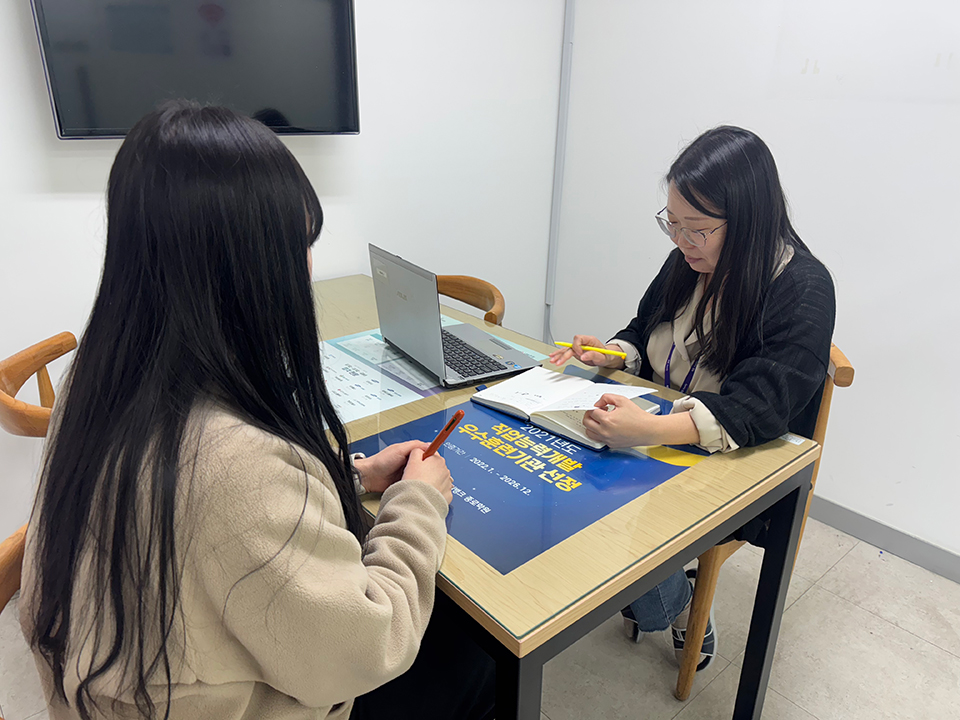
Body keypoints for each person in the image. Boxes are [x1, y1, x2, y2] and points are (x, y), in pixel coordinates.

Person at [19, 101, 495, 720]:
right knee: (475, 654)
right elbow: (372, 644)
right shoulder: (237, 468)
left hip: (115, 686)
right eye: (299, 244)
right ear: (247, 266)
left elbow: (222, 534)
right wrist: (418, 501)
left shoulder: (98, 377)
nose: (307, 267)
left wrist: (348, 478)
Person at [549, 125, 835, 671]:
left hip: (732, 456)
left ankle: (676, 604)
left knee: (613, 513)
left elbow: (759, 408)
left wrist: (646, 431)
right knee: (565, 479)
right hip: (655, 425)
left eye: (697, 229)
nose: (682, 241)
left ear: (749, 221)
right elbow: (644, 328)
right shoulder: (688, 260)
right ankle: (656, 590)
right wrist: (612, 353)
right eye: (672, 223)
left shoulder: (802, 287)